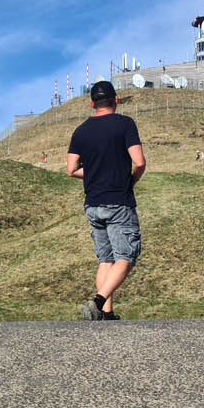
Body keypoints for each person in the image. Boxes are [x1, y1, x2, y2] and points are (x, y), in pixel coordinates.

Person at [66, 81, 145, 321]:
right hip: (118, 202)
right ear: (115, 100)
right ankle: (98, 302)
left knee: (106, 259)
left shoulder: (81, 131)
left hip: (93, 203)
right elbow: (139, 162)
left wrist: (94, 174)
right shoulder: (125, 124)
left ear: (92, 103)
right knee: (126, 256)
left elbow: (71, 169)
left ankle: (106, 313)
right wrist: (128, 181)